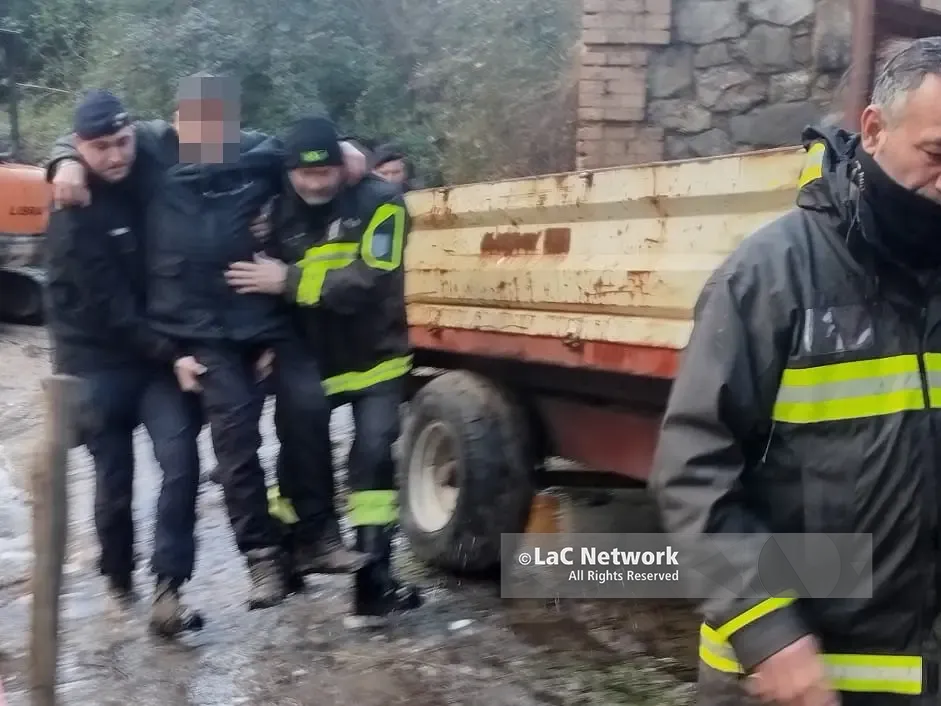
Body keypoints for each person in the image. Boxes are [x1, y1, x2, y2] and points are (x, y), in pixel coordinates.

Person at [649, 36, 941, 706]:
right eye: (934, 155)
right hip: (787, 681)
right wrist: (765, 632)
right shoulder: (769, 275)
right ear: (872, 129)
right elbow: (693, 468)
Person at [46, 74, 368, 610]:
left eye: (221, 123)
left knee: (308, 406)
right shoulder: (150, 152)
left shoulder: (259, 154)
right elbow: (84, 139)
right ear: (175, 122)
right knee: (229, 440)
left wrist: (348, 148)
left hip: (257, 322)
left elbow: (308, 151)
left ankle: (316, 536)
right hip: (188, 334)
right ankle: (254, 559)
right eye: (198, 123)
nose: (210, 133)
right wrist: (66, 162)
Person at [225, 116, 422, 626]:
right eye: (304, 175)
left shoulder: (383, 201)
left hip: (376, 356)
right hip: (307, 359)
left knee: (374, 460)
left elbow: (368, 281)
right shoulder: (271, 205)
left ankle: (373, 583)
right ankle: (294, 551)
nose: (315, 184)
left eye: (326, 173)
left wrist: (288, 281)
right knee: (297, 467)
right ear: (288, 171)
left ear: (344, 166)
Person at [44, 90, 203, 637]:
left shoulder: (154, 148)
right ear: (80, 148)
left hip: (157, 357)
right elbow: (111, 311)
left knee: (181, 461)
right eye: (99, 148)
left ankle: (168, 591)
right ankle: (117, 577)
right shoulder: (71, 216)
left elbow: (234, 142)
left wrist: (343, 150)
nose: (115, 157)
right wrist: (176, 352)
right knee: (115, 479)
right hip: (98, 360)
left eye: (122, 142)